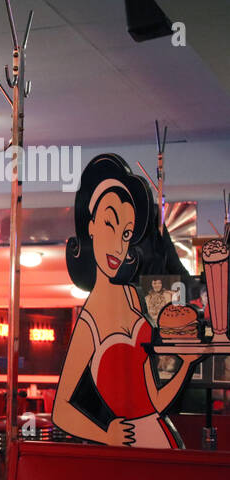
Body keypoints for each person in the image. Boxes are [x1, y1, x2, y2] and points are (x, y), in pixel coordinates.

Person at [52, 154, 197, 448]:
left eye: (127, 233)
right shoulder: (89, 324)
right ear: (90, 226)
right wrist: (104, 434)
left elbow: (153, 401)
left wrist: (186, 364)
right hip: (125, 449)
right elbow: (61, 410)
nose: (119, 244)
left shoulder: (132, 297)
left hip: (161, 439)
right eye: (110, 223)